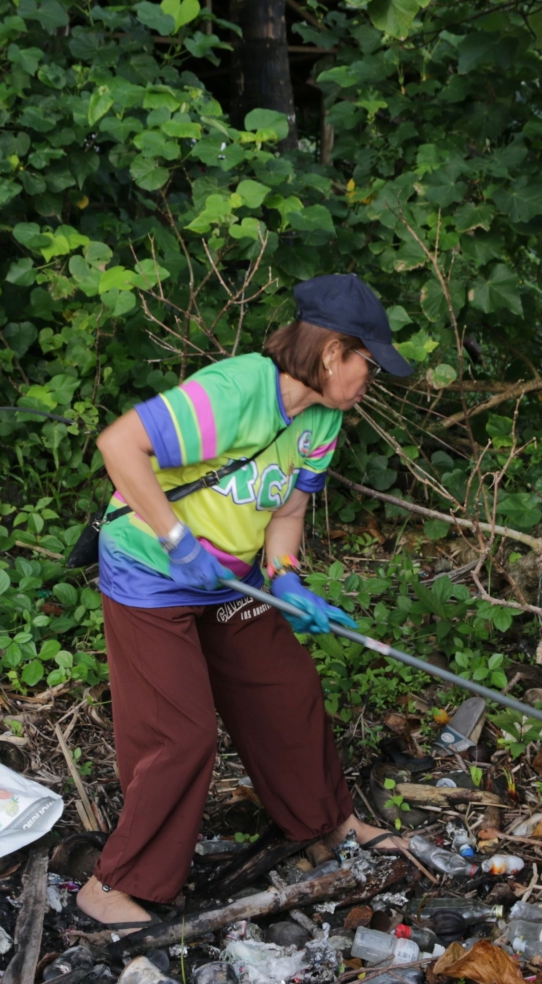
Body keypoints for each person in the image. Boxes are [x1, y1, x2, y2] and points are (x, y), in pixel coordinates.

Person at [77, 274, 415, 930]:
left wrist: (285, 577)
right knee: (180, 733)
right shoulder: (234, 392)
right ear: (332, 354)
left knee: (285, 689)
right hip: (151, 571)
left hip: (231, 579)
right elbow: (118, 445)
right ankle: (111, 884)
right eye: (368, 364)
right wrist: (176, 539)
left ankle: (327, 825)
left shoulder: (322, 418)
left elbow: (287, 508)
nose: (370, 380)